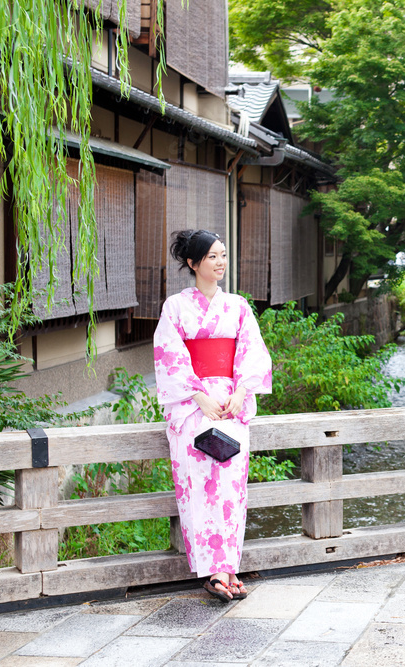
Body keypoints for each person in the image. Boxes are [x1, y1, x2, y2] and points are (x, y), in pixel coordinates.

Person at [153, 229, 272, 602]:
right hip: (193, 406)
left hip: (231, 405)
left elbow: (253, 352)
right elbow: (168, 355)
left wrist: (241, 391)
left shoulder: (237, 306)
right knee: (198, 488)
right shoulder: (175, 307)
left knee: (232, 489)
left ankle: (229, 566)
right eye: (213, 257)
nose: (221, 263)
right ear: (193, 263)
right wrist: (196, 394)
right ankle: (213, 571)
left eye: (223, 255)